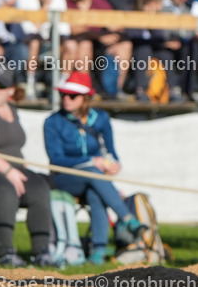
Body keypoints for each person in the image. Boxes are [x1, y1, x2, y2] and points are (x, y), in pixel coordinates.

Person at [44, 72, 145, 264]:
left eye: (72, 96)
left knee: (95, 191)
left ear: (85, 98)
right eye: (63, 95)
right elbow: (56, 160)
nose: (66, 99)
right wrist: (92, 161)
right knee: (93, 173)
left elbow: (111, 150)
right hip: (63, 179)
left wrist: (114, 163)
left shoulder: (101, 118)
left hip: (94, 179)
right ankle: (126, 218)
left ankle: (98, 251)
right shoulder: (53, 122)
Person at [0, 68, 55, 267]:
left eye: (0, 85)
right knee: (4, 190)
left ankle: (42, 252)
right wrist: (8, 171)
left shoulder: (11, 108)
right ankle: (5, 253)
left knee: (39, 188)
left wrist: (18, 169)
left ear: (11, 90)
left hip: (11, 170)